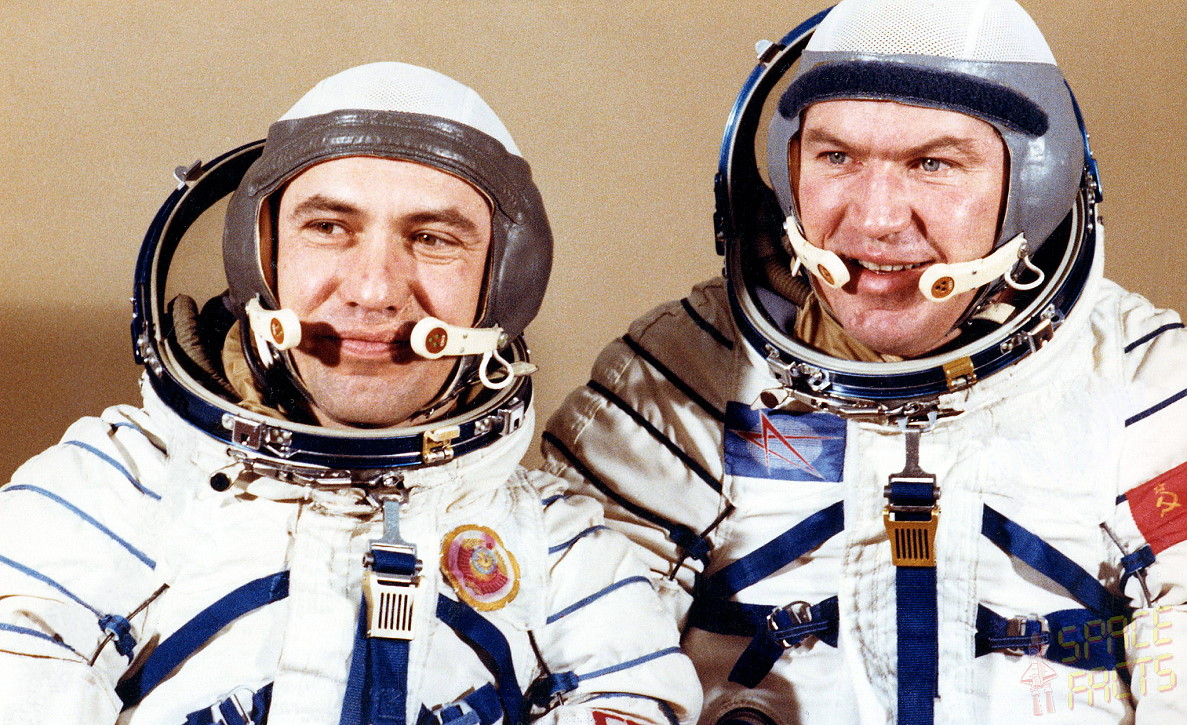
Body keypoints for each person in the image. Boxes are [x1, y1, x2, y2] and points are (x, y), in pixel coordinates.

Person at [541, 1, 1187, 723]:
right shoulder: (681, 378)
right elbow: (589, 667)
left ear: (1035, 189)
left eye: (933, 164)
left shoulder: (1144, 384)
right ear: (786, 171)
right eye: (836, 157)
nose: (875, 219)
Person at [0, 62, 700, 725]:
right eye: (328, 228)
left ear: (503, 285)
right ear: (259, 259)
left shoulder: (562, 553)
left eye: (433, 238)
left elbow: (637, 698)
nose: (373, 290)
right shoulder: (106, 492)